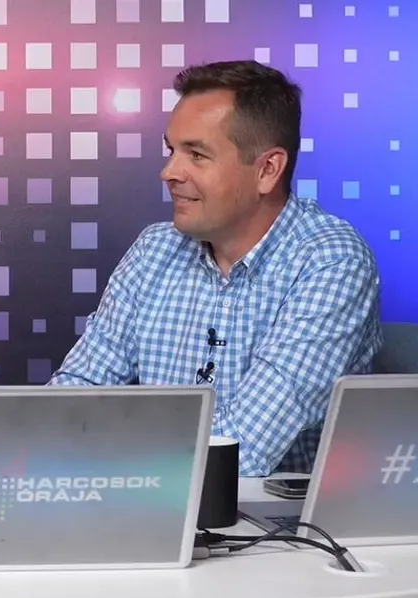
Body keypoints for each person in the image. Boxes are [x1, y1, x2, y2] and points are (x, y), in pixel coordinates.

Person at [49, 60, 382, 476]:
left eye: (197, 154)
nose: (169, 172)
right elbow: (71, 400)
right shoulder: (154, 250)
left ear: (267, 170)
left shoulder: (330, 261)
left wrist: (117, 466)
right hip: (149, 498)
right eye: (172, 151)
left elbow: (242, 450)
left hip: (275, 515)